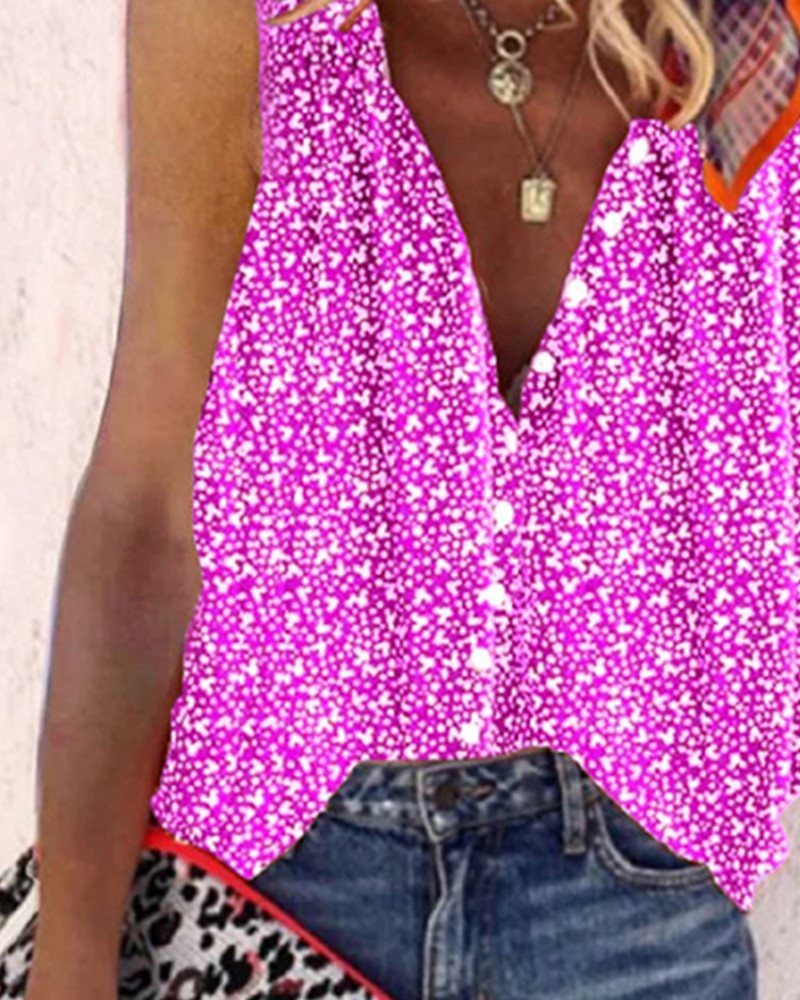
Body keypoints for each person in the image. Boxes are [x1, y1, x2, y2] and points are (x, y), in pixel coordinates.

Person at [25, 0, 800, 997]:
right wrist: (70, 959)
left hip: (640, 914)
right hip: (271, 892)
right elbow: (145, 502)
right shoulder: (239, 20)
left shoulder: (754, 45)